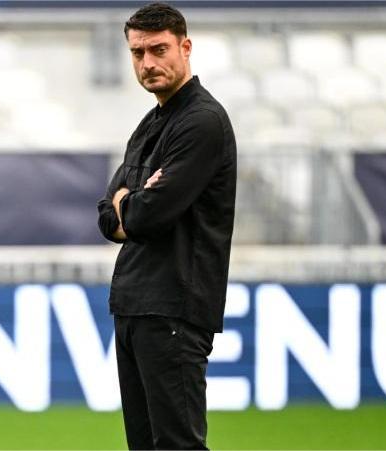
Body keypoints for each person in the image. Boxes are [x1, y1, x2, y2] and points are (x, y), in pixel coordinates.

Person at [96, 3, 236, 450]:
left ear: (185, 46)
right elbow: (108, 214)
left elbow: (145, 215)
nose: (148, 63)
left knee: (177, 444)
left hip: (174, 304)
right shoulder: (151, 123)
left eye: (158, 49)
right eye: (138, 53)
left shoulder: (201, 122)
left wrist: (130, 206)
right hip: (135, 306)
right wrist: (129, 205)